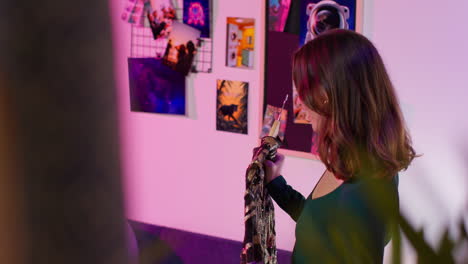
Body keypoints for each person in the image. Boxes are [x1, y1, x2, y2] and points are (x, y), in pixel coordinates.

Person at [263, 29, 417, 263]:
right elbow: (320, 226)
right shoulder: (350, 161)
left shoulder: (366, 189)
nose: (300, 102)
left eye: (304, 91)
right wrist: (276, 184)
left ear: (328, 94)